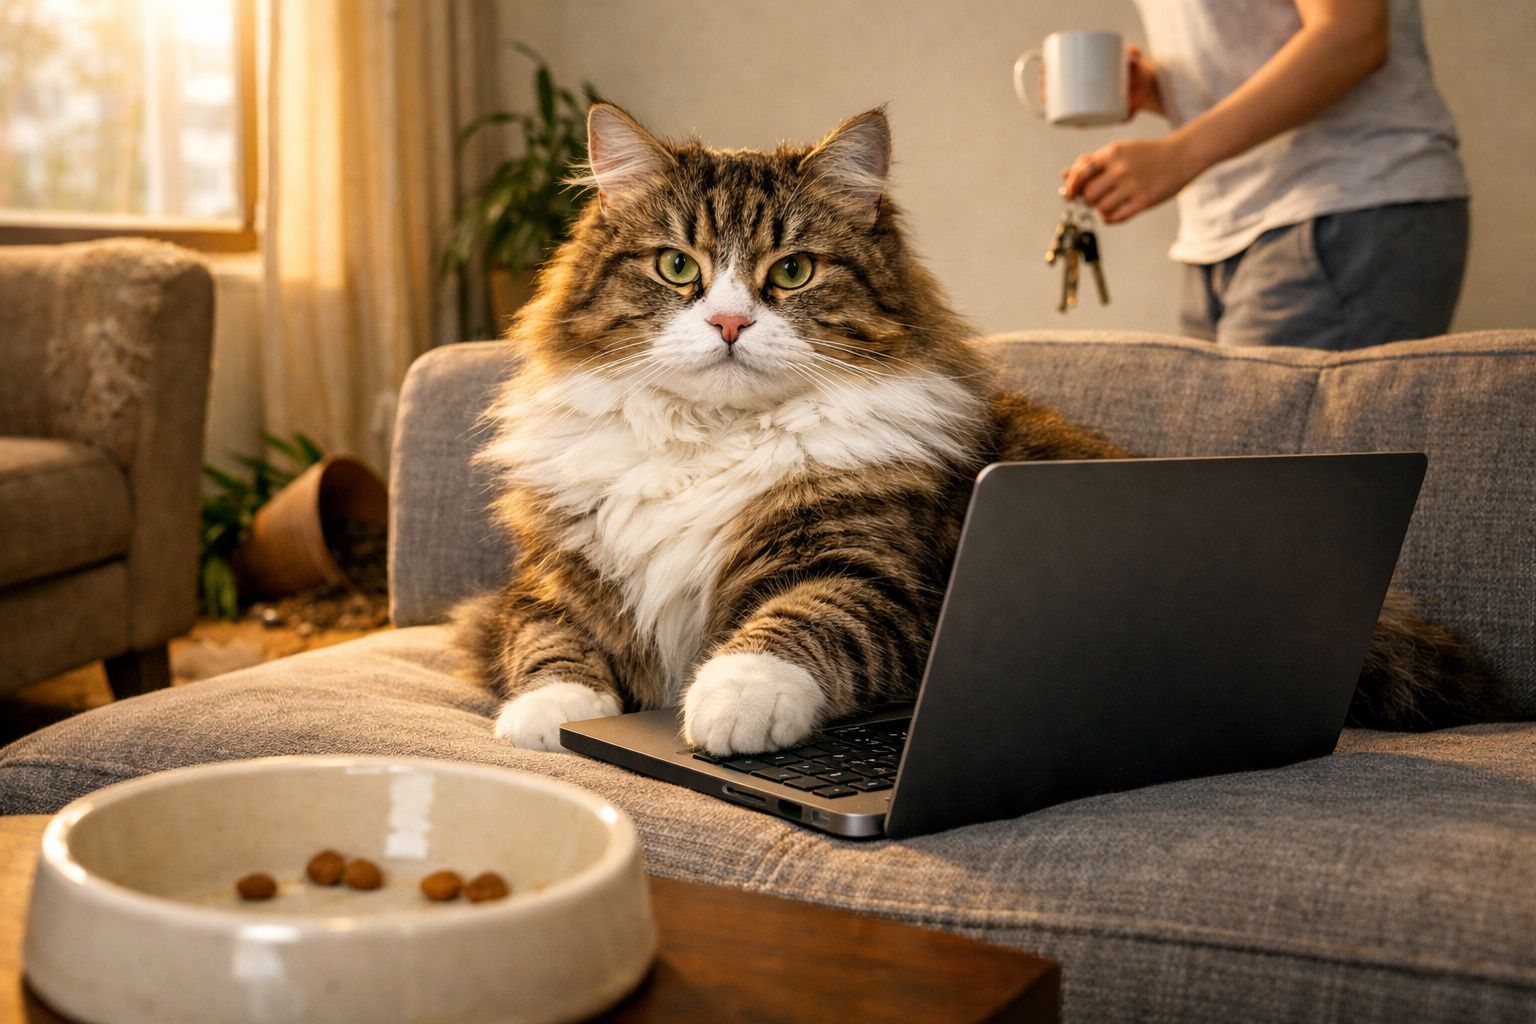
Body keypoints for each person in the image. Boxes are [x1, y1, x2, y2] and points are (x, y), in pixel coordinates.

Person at [1060, 0, 1470, 350]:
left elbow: (1353, 34)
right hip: (1221, 235)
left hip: (1344, 208)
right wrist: (1159, 89)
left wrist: (1179, 155)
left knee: (1249, 439)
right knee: (1215, 440)